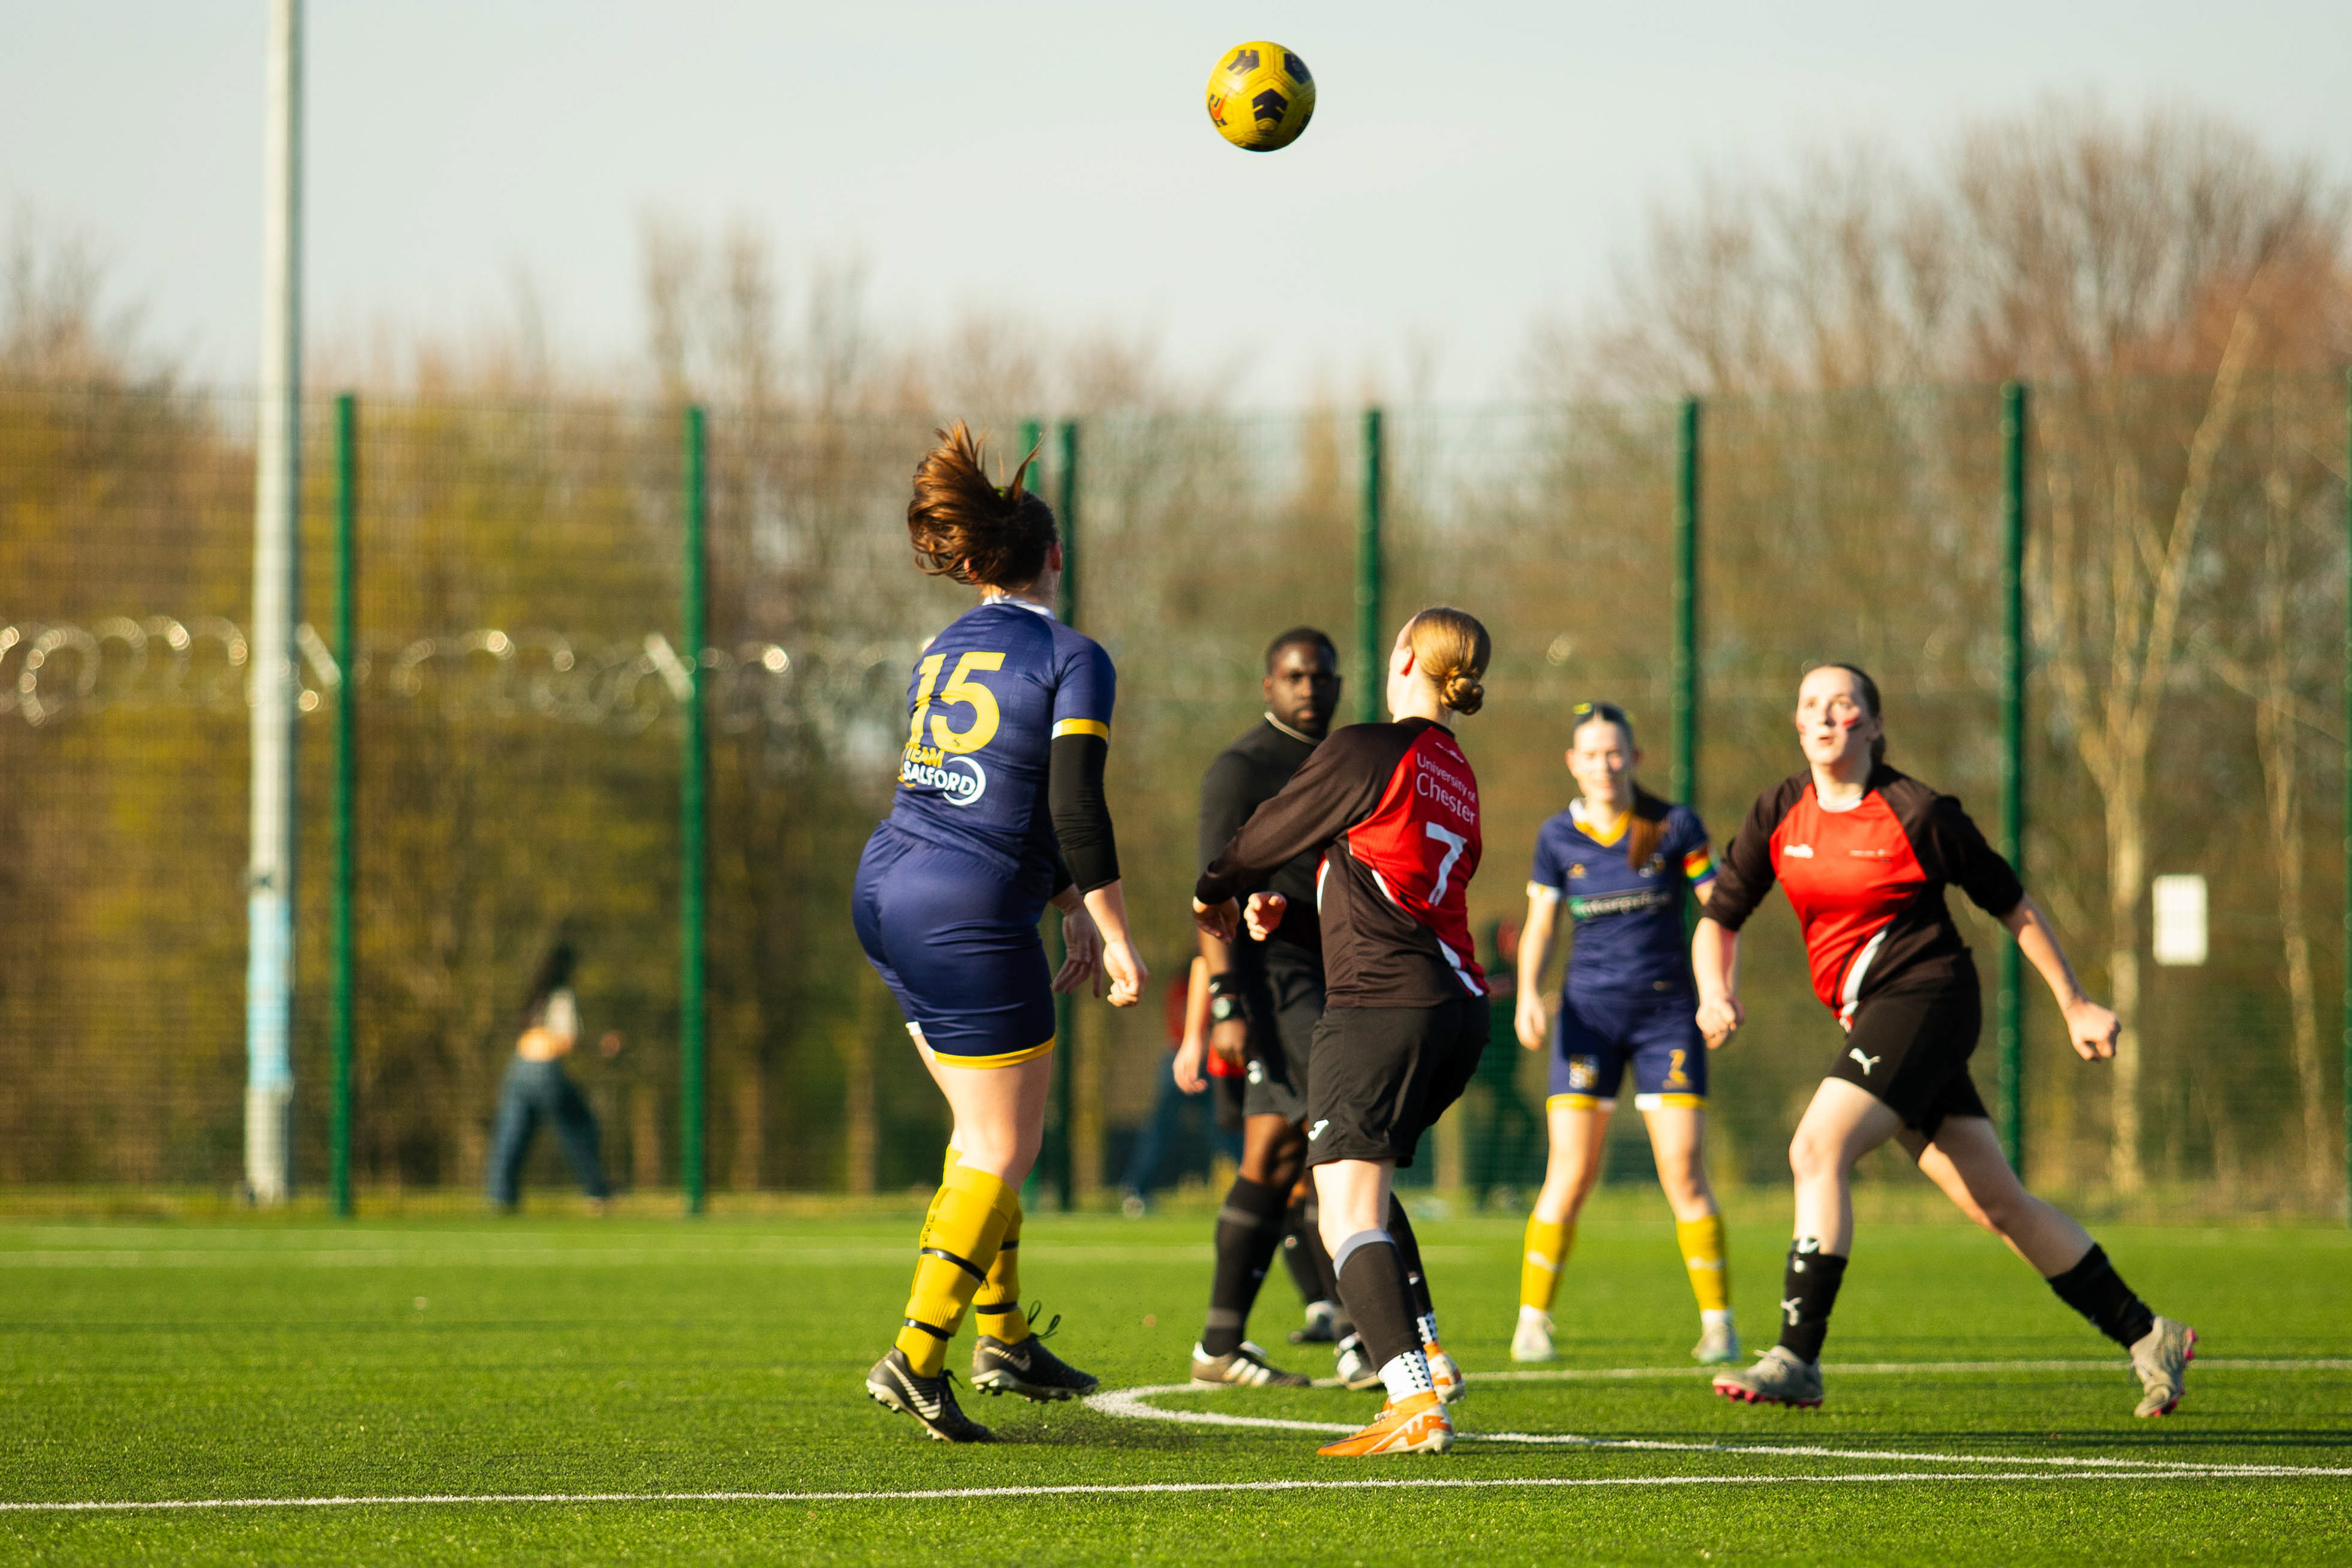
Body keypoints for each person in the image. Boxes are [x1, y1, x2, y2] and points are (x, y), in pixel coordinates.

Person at [1696, 663, 2197, 1415]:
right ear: (1798, 724)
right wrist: (1715, 991)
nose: (1826, 715)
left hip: (1930, 997)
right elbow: (1719, 919)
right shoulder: (1779, 810)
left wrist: (2076, 1004)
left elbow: (2014, 903)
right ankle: (2147, 1332)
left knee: (1816, 1148)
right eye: (1811, 704)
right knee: (1998, 1203)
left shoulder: (1919, 813)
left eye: (1844, 704)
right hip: (1870, 1018)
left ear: (1873, 723)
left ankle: (1798, 1356)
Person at [854, 422, 1146, 1444]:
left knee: (980, 1141)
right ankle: (917, 1357)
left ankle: (1006, 1338)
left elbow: (986, 791)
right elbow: (1071, 806)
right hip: (968, 908)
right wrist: (1110, 927)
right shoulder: (1074, 655)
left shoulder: (942, 649)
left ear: (977, 565)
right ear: (1055, 558)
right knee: (1002, 1143)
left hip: (888, 887)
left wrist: (1063, 905)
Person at [1194, 608, 1491, 1458]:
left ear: (1404, 656)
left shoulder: (1370, 746)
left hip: (1377, 1008)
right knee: (1367, 1187)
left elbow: (1268, 831)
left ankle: (1410, 1399)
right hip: (1456, 1007)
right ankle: (1425, 1347)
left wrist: (1216, 885)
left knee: (1343, 1211)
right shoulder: (1455, 769)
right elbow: (1384, 885)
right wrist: (1290, 914)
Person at [1511, 702, 1739, 1366]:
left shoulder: (1675, 825)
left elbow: (1721, 913)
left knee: (1682, 1171)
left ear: (1635, 758)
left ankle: (1719, 1323)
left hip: (1668, 1019)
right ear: (1573, 763)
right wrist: (1528, 992)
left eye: (1616, 753)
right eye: (1591, 754)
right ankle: (1532, 1320)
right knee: (1572, 1171)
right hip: (1588, 1020)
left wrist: (1720, 991)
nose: (1605, 765)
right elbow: (1542, 927)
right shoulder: (1557, 837)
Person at [1185, 628, 1348, 1389]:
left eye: (1321, 676)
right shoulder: (1241, 768)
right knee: (1340, 1139)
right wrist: (1224, 999)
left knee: (1279, 1155)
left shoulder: (1346, 760)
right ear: (1268, 685)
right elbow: (1209, 896)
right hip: (1272, 980)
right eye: (1294, 676)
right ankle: (1362, 1334)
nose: (1309, 688)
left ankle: (1219, 1347)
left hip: (1339, 973)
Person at [488, 942, 624, 1212]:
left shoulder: (535, 994)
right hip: (544, 1071)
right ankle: (597, 1192)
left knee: (512, 1136)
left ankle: (501, 1197)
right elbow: (566, 1039)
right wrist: (602, 1046)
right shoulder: (561, 995)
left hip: (518, 1068)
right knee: (579, 1127)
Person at [1117, 959, 1243, 1209]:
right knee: (1164, 1130)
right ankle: (1135, 1189)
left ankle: (1256, 1185)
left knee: (1223, 1130)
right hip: (1186, 1059)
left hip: (1201, 1060)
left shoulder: (1205, 983)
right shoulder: (1184, 986)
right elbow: (1180, 1027)